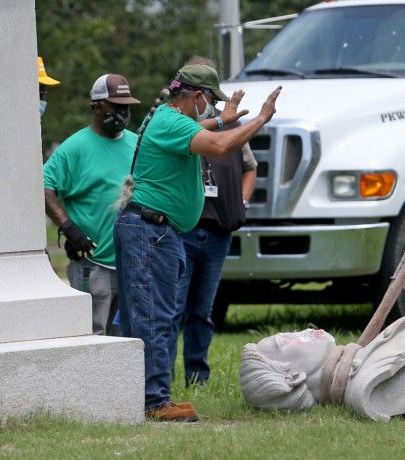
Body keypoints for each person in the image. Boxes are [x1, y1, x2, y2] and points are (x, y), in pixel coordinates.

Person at [114, 64, 281, 422]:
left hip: (156, 230)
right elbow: (219, 146)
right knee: (153, 317)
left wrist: (223, 119)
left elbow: (205, 130)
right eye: (211, 101)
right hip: (150, 231)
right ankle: (155, 402)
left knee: (151, 315)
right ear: (196, 96)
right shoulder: (172, 122)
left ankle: (141, 397)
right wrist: (261, 119)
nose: (212, 107)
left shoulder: (168, 118)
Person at [170, 75, 258, 387]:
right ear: (195, 94)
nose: (211, 103)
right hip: (183, 231)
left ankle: (198, 378)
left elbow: (250, 167)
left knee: (202, 311)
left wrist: (242, 202)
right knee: (173, 309)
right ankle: (163, 379)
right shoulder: (178, 126)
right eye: (208, 95)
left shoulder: (231, 127)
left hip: (219, 231)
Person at [43, 74, 142, 336]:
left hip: (131, 262)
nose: (122, 113)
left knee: (126, 340)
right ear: (95, 107)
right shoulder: (75, 147)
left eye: (126, 107)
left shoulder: (136, 144)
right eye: (115, 106)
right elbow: (43, 186)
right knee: (91, 339)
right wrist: (69, 228)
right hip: (93, 264)